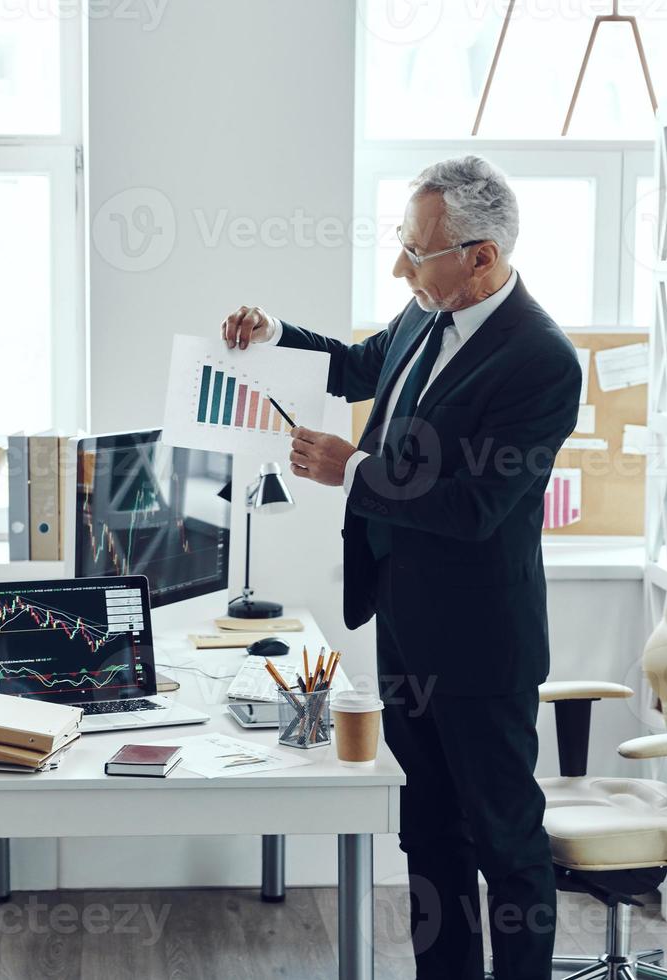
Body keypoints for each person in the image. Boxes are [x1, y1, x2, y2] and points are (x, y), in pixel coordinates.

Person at [220, 155, 581, 980]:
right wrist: (276, 334)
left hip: (483, 645)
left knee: (505, 840)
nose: (400, 267)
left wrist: (351, 470)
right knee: (426, 830)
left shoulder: (541, 360)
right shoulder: (426, 312)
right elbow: (359, 365)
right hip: (407, 624)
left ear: (481, 256)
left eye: (415, 253)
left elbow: (475, 507)